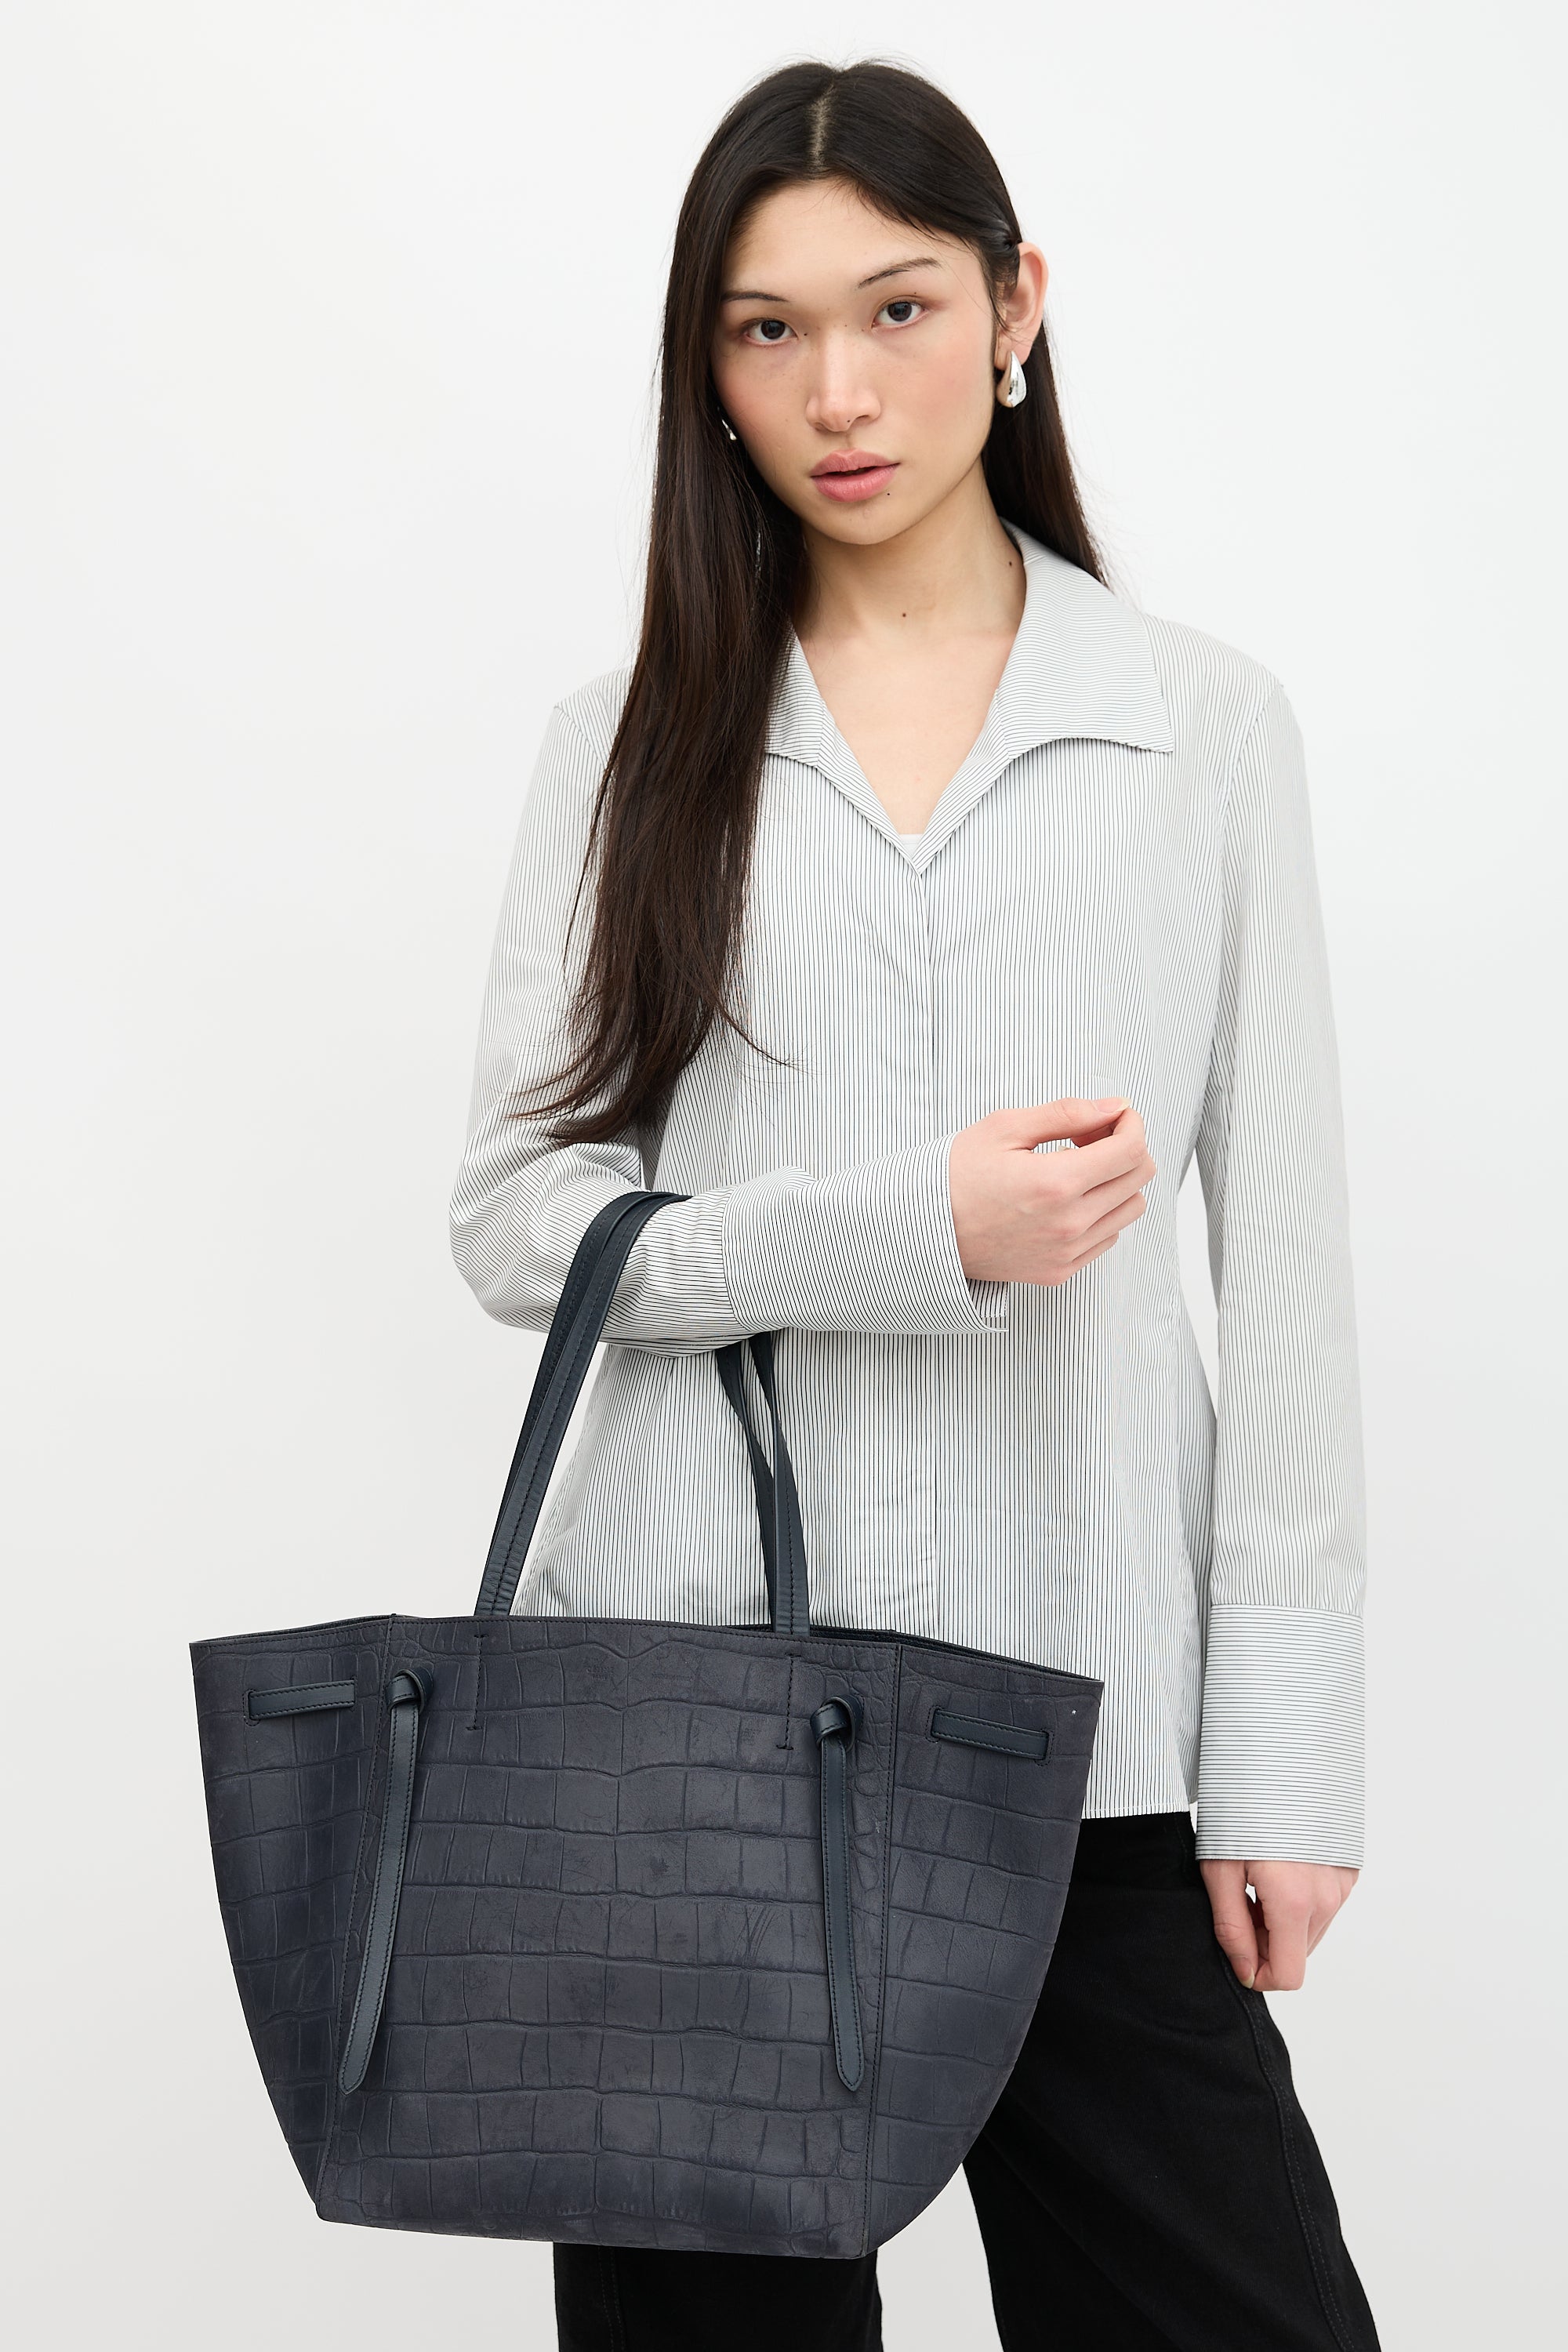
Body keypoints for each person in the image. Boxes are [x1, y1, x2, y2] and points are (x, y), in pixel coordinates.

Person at [449, 56, 1379, 2352]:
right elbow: (518, 1219)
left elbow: (1286, 1282)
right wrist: (908, 1227)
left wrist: (1286, 1749)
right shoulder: (628, 744)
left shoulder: (1201, 729)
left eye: (898, 308)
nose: (839, 393)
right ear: (709, 369)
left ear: (1015, 305)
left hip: (1093, 1750)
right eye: (766, 331)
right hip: (691, 1759)